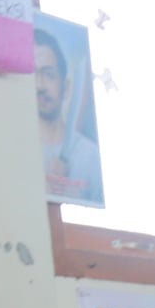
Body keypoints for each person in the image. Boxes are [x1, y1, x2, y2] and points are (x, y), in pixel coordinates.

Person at [34, 19, 104, 206]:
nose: (39, 85)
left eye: (48, 75)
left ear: (66, 88)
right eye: (33, 75)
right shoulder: (12, 150)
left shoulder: (89, 156)